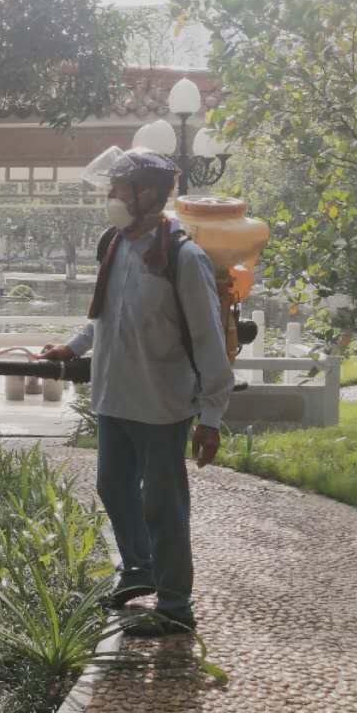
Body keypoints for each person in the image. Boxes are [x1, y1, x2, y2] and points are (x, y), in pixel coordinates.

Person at [41, 149, 235, 638]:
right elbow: (104, 315)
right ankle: (140, 567)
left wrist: (211, 416)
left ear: (147, 194)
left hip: (161, 405)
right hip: (114, 397)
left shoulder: (184, 257)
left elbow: (209, 339)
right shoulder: (116, 244)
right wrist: (72, 346)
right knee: (112, 486)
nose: (110, 198)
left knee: (163, 506)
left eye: (117, 190)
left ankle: (175, 607)